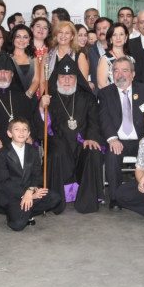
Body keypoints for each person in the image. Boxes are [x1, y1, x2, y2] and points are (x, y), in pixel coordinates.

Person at [40, 60, 104, 213]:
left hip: (81, 141)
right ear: (57, 78)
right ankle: (57, 200)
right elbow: (42, 128)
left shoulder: (87, 97)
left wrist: (91, 137)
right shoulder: (49, 98)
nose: (67, 80)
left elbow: (94, 121)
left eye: (71, 77)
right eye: (62, 77)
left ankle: (88, 201)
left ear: (77, 79)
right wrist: (42, 108)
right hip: (59, 142)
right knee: (56, 151)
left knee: (93, 151)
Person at [0, 117, 65, 231]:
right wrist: (27, 195)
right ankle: (17, 213)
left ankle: (26, 211)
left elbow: (36, 174)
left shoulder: (33, 151)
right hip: (13, 195)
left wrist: (32, 190)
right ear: (9, 133)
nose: (21, 132)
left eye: (24, 129)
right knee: (18, 225)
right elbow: (4, 182)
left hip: (30, 191)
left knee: (55, 198)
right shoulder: (2, 153)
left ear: (28, 133)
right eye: (17, 129)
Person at [99, 56, 144, 197]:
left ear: (133, 74)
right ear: (112, 74)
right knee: (112, 154)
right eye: (116, 71)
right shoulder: (105, 93)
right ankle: (116, 197)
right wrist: (112, 139)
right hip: (118, 140)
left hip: (142, 140)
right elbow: (104, 118)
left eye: (125, 70)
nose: (120, 74)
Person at [46, 20, 91, 85]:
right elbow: (43, 81)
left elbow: (84, 83)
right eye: (60, 32)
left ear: (72, 36)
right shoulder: (48, 55)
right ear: (56, 35)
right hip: (51, 94)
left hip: (74, 94)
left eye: (67, 33)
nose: (63, 35)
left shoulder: (80, 56)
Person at [96, 22, 131, 89]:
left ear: (126, 38)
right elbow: (101, 84)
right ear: (111, 39)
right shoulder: (105, 59)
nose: (118, 38)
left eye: (121, 34)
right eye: (114, 35)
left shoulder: (131, 59)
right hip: (111, 97)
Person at [7, 24, 38, 97]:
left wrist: (28, 95)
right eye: (18, 37)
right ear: (12, 38)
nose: (21, 40)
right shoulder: (6, 58)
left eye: (25, 37)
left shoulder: (33, 58)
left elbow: (36, 80)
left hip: (30, 99)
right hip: (11, 99)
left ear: (29, 39)